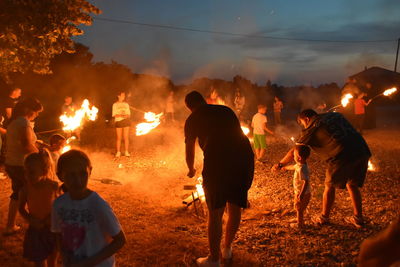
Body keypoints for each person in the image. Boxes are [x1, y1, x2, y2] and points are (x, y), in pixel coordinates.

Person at [184, 91, 254, 266]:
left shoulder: (192, 119)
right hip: (243, 159)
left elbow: (189, 148)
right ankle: (227, 249)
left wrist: (191, 168)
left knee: (215, 212)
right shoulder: (225, 110)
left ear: (190, 107)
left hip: (217, 163)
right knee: (235, 206)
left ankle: (214, 259)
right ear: (203, 100)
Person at [273, 109, 371, 228]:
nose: (304, 126)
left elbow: (295, 151)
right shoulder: (334, 115)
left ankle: (324, 218)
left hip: (341, 155)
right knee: (352, 184)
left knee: (329, 186)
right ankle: (358, 218)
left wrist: (280, 164)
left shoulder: (311, 127)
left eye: (303, 123)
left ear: (307, 119)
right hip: (362, 150)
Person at [52, 149, 126, 266]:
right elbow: (58, 233)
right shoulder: (59, 204)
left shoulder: (97, 205)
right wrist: (65, 256)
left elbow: (120, 240)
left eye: (83, 173)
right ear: (60, 176)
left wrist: (90, 262)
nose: (78, 180)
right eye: (71, 175)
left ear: (90, 171)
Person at [4, 98, 43, 235]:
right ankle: (37, 223)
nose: (37, 115)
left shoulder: (15, 122)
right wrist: (41, 154)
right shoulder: (24, 122)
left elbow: (24, 142)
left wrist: (38, 143)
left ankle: (10, 225)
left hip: (12, 162)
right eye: (36, 112)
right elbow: (26, 146)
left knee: (17, 194)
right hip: (22, 164)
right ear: (28, 110)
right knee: (31, 193)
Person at [18, 149, 59, 267]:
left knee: (52, 260)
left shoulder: (53, 186)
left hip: (52, 229)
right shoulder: (25, 189)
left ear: (44, 170)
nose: (27, 176)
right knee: (39, 261)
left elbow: (59, 206)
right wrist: (31, 219)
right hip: (36, 230)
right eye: (25, 172)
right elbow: (21, 208)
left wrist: (51, 217)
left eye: (31, 172)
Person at [280, 145, 311, 228]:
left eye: (294, 155)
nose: (293, 157)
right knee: (298, 207)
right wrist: (285, 168)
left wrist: (301, 195)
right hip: (298, 191)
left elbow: (306, 182)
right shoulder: (299, 165)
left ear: (299, 157)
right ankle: (299, 219)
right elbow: (293, 167)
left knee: (299, 208)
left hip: (303, 193)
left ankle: (300, 224)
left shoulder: (302, 169)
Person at [112, 92, 131, 157]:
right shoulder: (115, 104)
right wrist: (122, 115)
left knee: (126, 137)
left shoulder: (126, 104)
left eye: (124, 95)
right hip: (119, 121)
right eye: (122, 95)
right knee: (119, 137)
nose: (124, 96)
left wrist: (126, 116)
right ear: (118, 96)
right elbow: (114, 114)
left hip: (126, 121)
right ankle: (118, 152)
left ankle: (126, 152)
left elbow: (129, 114)